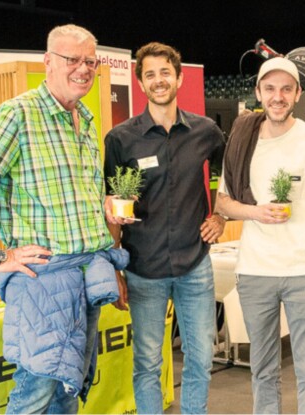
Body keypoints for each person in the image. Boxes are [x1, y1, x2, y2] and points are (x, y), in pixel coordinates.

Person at [0, 24, 125, 414]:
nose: (83, 69)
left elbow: (73, 197)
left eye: (90, 61)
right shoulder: (18, 114)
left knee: (67, 391)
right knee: (35, 395)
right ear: (48, 61)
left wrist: (106, 208)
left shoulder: (85, 119)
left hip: (84, 274)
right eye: (72, 59)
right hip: (43, 280)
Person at [103, 42, 226, 414]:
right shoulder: (121, 139)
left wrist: (220, 216)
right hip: (143, 268)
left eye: (165, 73)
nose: (159, 80)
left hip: (195, 265)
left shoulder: (206, 131)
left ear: (179, 78)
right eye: (150, 74)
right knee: (147, 364)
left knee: (200, 358)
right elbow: (112, 207)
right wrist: (115, 268)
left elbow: (228, 177)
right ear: (141, 83)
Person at [215, 57, 305, 414]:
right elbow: (222, 201)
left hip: (304, 273)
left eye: (286, 89)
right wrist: (256, 212)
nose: (278, 96)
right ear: (258, 92)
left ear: (298, 93)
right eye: (270, 88)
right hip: (255, 272)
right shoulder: (241, 139)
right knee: (263, 371)